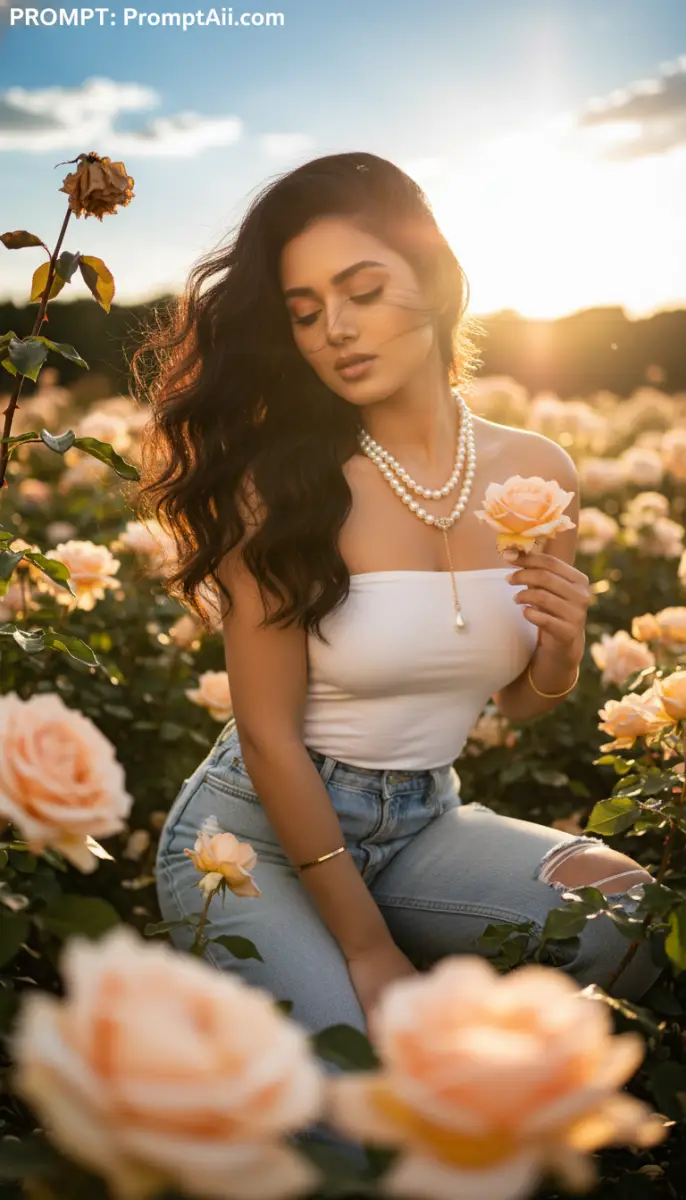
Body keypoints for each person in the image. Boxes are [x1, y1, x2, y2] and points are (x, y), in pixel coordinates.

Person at [138, 152, 662, 1044]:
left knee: (638, 920)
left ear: (435, 278)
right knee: (360, 1118)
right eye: (305, 313)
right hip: (251, 839)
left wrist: (563, 652)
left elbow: (516, 706)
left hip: (425, 819)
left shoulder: (538, 472)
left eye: (363, 291)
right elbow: (267, 736)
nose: (335, 329)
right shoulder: (281, 486)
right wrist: (369, 946)